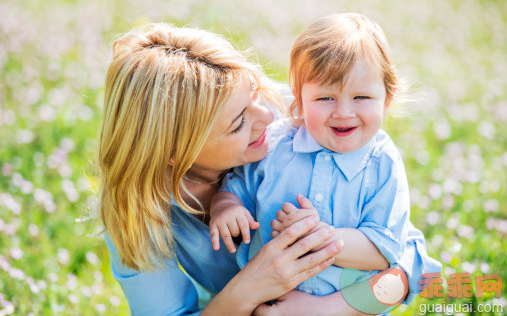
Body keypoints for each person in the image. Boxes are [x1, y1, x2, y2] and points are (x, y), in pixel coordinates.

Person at [99, 22, 438, 315]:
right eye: (237, 124)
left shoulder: (305, 119)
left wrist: (332, 309)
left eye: (255, 94)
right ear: (175, 152)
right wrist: (251, 286)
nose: (266, 117)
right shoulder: (135, 212)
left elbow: (413, 263)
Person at [210, 13, 441, 300]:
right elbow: (234, 188)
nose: (343, 112)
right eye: (325, 98)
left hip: (343, 304)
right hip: (266, 302)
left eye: (361, 98)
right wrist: (225, 207)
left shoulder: (382, 163)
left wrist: (321, 236)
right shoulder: (275, 145)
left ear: (387, 98)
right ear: (299, 99)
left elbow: (383, 249)